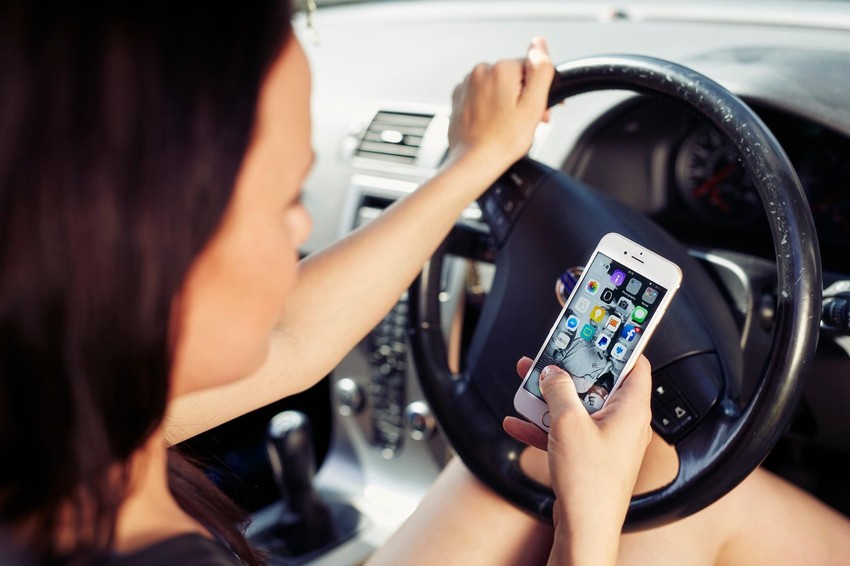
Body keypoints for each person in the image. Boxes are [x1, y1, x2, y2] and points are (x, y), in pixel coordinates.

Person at [2, 2, 850, 565]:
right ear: (150, 251)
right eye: (288, 199)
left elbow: (291, 335)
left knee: (564, 475)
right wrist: (585, 529)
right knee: (679, 502)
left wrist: (471, 164)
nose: (301, 231)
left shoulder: (65, 408)